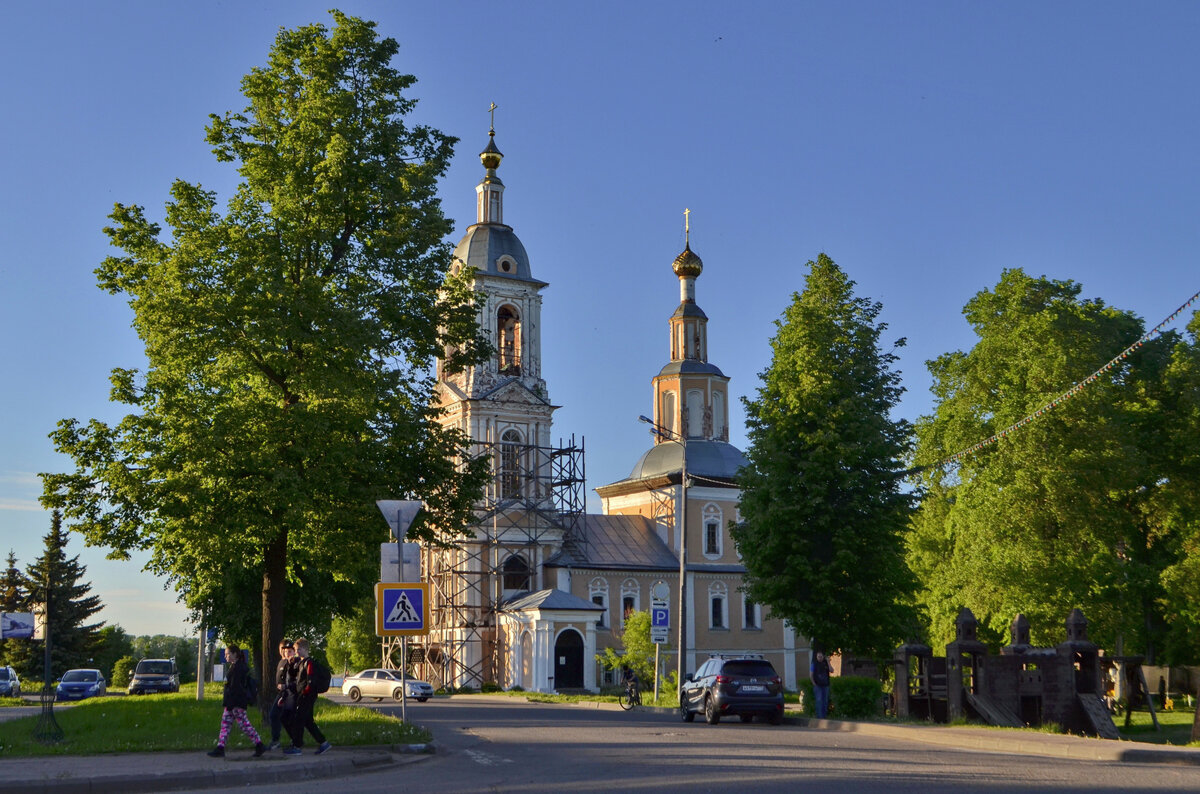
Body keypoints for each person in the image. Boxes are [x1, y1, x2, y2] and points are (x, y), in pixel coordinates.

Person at [206, 644, 266, 758]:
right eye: (225, 654)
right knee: (226, 724)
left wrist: (231, 703)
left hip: (236, 702)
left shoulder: (239, 668)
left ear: (235, 654)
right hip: (232, 702)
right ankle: (220, 747)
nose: (226, 656)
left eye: (228, 654)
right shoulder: (236, 666)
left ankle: (259, 744)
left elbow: (236, 688)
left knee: (243, 724)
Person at [282, 637, 331, 755]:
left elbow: (310, 680)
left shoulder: (309, 663)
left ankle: (297, 746)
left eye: (297, 649)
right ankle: (323, 743)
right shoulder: (301, 662)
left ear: (304, 649)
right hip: (305, 695)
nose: (296, 652)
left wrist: (304, 692)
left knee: (298, 719)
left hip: (307, 695)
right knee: (307, 721)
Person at [267, 639, 295, 750]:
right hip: (281, 693)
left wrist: (285, 687)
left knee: (277, 715)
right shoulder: (281, 662)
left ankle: (279, 740)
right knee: (281, 717)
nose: (284, 652)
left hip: (287, 693)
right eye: (283, 650)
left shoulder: (291, 663)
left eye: (288, 650)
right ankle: (292, 739)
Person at [810, 650, 833, 720]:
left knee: (825, 701)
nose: (820, 658)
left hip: (825, 685)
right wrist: (814, 683)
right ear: (816, 657)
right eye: (818, 656)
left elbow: (831, 670)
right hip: (818, 685)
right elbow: (811, 674)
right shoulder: (814, 664)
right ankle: (819, 716)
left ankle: (824, 716)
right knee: (819, 700)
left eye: (821, 656)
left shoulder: (825, 663)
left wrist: (828, 662)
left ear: (823, 657)